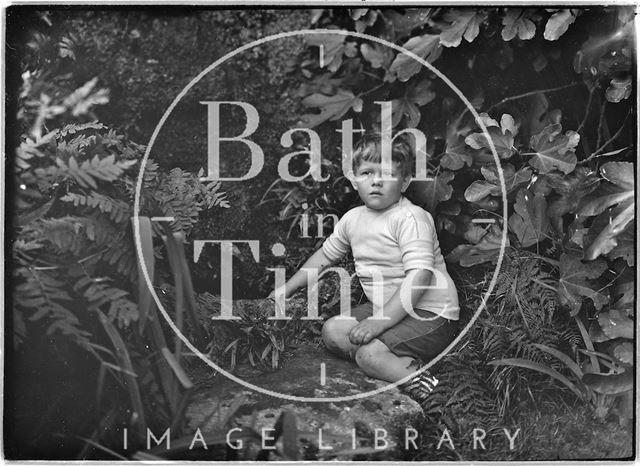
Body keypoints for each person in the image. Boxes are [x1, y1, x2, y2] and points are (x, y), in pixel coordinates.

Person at [269, 132, 459, 406]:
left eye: (387, 174)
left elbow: (420, 276)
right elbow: (324, 256)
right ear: (354, 178)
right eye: (367, 172)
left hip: (431, 316)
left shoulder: (410, 218)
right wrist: (285, 290)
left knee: (367, 355)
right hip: (387, 309)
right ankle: (392, 358)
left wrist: (378, 322)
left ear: (405, 181)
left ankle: (427, 384)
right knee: (333, 331)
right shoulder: (352, 220)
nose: (376, 181)